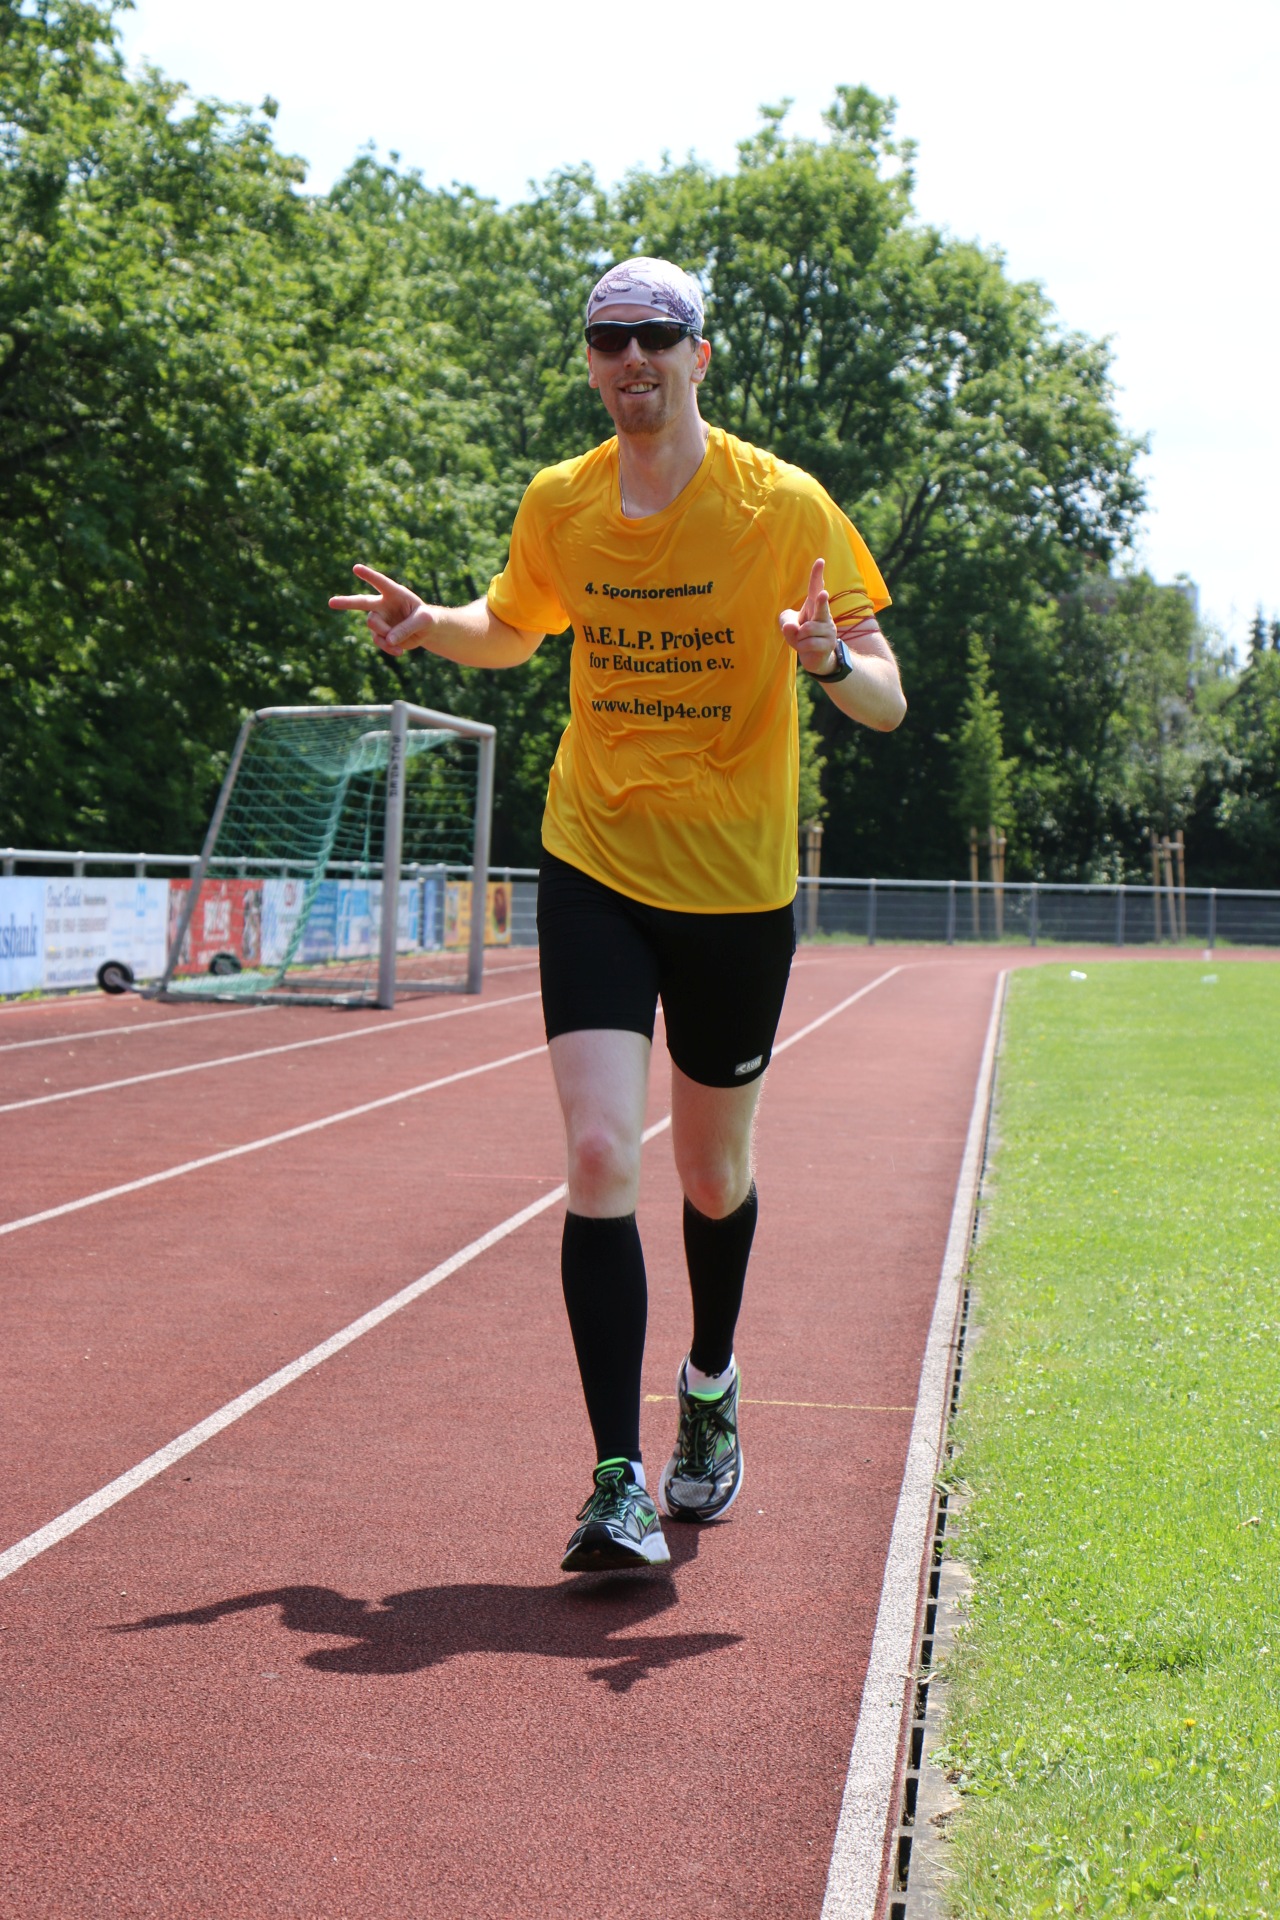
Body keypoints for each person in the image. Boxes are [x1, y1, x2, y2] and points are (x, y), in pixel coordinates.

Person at [330, 257, 906, 1574]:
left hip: (736, 887)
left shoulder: (783, 504)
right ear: (591, 362)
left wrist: (827, 657)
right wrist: (432, 624)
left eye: (655, 334)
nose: (630, 357)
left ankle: (710, 1382)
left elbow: (885, 698)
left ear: (701, 354)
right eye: (607, 338)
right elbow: (512, 627)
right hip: (593, 854)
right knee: (599, 1153)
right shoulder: (562, 502)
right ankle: (616, 1482)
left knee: (710, 1174)